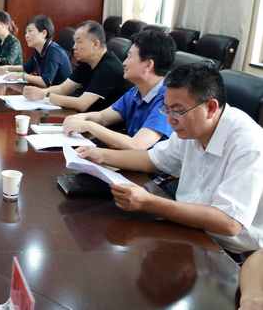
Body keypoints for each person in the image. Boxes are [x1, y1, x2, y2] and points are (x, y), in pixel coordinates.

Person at [76, 63, 263, 254]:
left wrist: (148, 203)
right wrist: (101, 155)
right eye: (166, 109)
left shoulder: (248, 145)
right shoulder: (192, 128)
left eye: (177, 111)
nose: (170, 120)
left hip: (227, 249)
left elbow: (229, 223)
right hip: (188, 226)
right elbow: (151, 160)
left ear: (211, 108)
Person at [62, 30, 176, 150]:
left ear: (148, 65)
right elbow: (103, 117)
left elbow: (137, 145)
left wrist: (88, 125)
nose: (124, 63)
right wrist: (80, 118)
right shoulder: (135, 92)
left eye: (129, 57)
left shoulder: (167, 100)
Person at [22, 20, 131, 112]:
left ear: (95, 44)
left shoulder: (109, 68)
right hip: (89, 118)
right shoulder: (86, 61)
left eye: (79, 42)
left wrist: (44, 96)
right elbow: (62, 89)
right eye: (74, 42)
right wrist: (37, 92)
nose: (74, 47)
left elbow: (82, 104)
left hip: (109, 126)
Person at [0, 14, 71, 88]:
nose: (26, 36)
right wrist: (7, 68)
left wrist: (22, 75)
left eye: (30, 31)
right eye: (26, 32)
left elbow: (46, 81)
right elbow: (27, 68)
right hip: (47, 92)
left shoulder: (54, 51)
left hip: (61, 95)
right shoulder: (38, 49)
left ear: (44, 33)